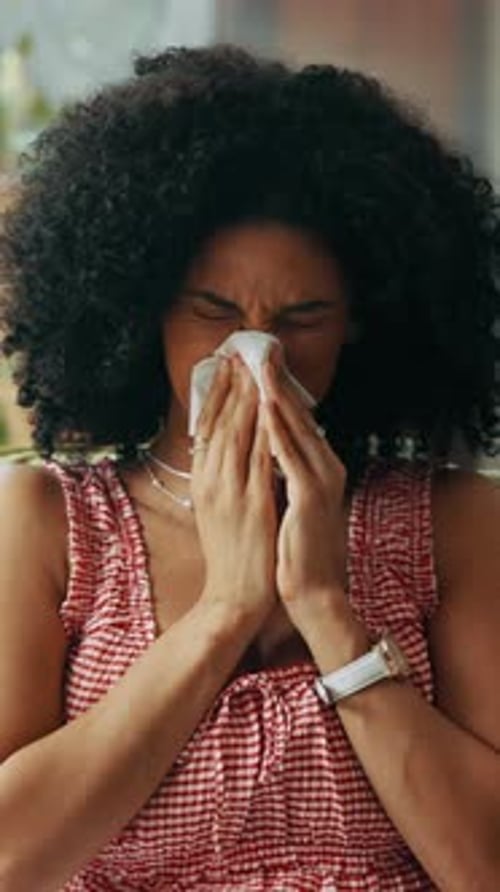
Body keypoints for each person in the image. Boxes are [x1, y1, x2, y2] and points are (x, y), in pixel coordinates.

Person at [0, 43, 499, 892]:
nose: (257, 353)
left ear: (361, 323)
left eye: (303, 317)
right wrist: (225, 610)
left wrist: (326, 610)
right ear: (143, 310)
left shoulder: (454, 521)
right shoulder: (47, 521)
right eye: (214, 310)